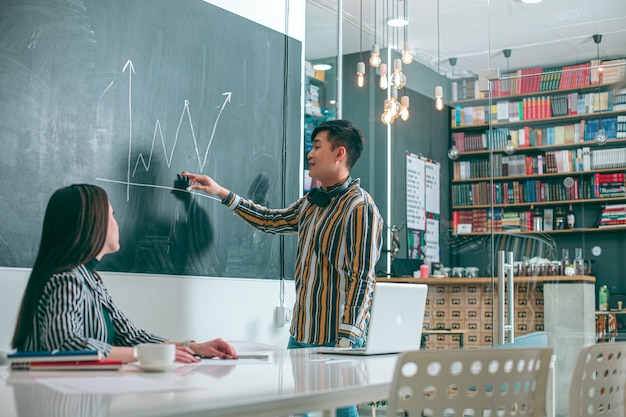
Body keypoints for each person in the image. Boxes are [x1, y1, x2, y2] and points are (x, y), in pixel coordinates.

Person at [183, 119, 383, 417]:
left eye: (317, 147)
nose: (310, 154)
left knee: (342, 408)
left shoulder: (359, 207)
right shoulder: (311, 203)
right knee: (296, 407)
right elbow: (269, 221)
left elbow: (362, 278)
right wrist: (222, 193)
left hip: (336, 335)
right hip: (302, 329)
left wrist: (348, 338)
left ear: (339, 154)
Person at [11, 184, 237, 363]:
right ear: (93, 223)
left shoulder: (90, 280)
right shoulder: (67, 280)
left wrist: (192, 347)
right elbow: (65, 344)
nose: (117, 223)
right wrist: (143, 356)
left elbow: (129, 336)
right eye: (112, 215)